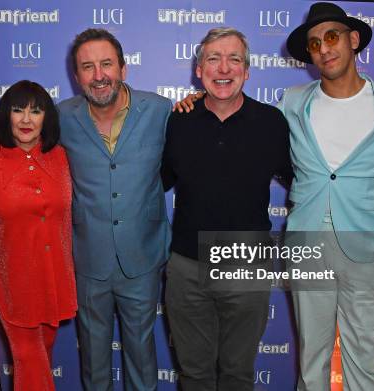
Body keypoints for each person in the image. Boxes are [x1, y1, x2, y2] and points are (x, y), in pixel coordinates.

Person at [0, 29, 172, 391]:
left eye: (107, 64)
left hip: (142, 256)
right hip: (87, 260)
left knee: (142, 356)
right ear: (76, 75)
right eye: (88, 67)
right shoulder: (60, 117)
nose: (99, 75)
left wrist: (198, 101)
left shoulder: (161, 110)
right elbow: (23, 144)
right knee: (94, 361)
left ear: (124, 69)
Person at [280, 3, 374, 390]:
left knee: (363, 363)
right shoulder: (292, 102)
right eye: (314, 43)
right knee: (311, 362)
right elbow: (255, 141)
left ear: (353, 39)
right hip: (308, 244)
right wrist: (197, 107)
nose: (324, 49)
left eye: (332, 37)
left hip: (370, 251)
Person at [161, 27, 292, 391]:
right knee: (194, 375)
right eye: (213, 59)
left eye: (234, 59)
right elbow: (155, 181)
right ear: (199, 70)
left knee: (237, 374)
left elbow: (307, 182)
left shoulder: (272, 123)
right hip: (187, 265)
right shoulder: (178, 121)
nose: (224, 67)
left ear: (247, 71)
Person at [0, 80, 77, 391]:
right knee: (30, 360)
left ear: (47, 117)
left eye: (36, 111)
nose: (27, 120)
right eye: (18, 111)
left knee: (41, 357)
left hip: (55, 278)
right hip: (13, 283)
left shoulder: (61, 157)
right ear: (6, 115)